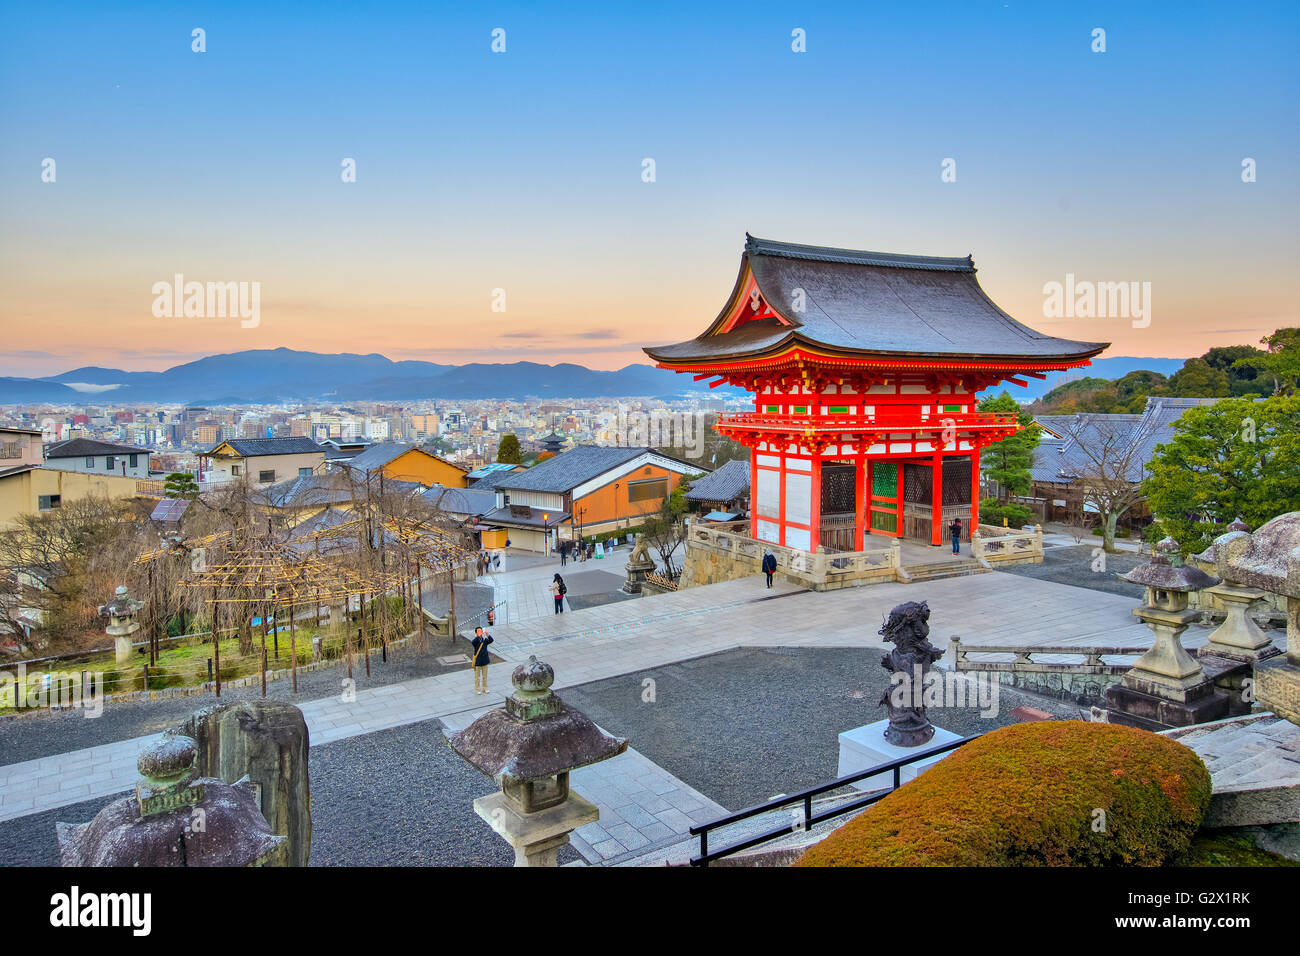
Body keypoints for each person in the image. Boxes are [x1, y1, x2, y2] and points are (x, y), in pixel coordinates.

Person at [471, 626, 493, 695]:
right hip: (478, 661)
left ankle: (485, 688)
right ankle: (478, 689)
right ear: (476, 633)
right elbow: (473, 642)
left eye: (481, 631)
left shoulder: (484, 640)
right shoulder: (476, 640)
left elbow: (491, 640)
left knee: (484, 676)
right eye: (478, 631)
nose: (480, 632)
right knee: (477, 677)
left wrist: (487, 635)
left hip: (485, 660)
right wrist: (478, 636)